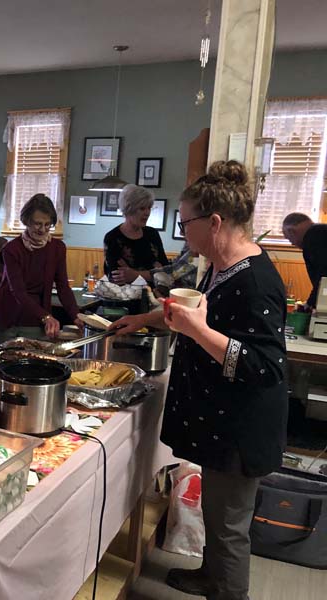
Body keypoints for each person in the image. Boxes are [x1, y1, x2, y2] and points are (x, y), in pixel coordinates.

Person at [111, 161, 288, 600]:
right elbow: (194, 314)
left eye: (185, 222)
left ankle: (228, 591)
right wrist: (146, 319)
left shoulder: (256, 281)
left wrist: (199, 332)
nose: (182, 232)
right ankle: (211, 576)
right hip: (221, 421)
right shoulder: (222, 266)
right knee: (216, 512)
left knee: (229, 527)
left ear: (215, 222)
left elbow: (264, 367)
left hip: (242, 427)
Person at [0, 193, 82, 340]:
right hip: (8, 316)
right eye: (38, 223)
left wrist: (76, 315)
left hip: (37, 316)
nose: (42, 229)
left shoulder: (57, 248)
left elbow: (63, 286)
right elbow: (18, 291)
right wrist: (45, 316)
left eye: (47, 224)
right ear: (27, 221)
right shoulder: (12, 249)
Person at [104, 184, 169, 285]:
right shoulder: (112, 237)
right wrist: (152, 273)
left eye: (149, 208)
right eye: (142, 208)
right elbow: (116, 278)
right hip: (125, 294)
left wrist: (134, 274)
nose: (147, 213)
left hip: (155, 293)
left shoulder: (152, 234)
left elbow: (166, 273)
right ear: (128, 209)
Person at [282, 212, 327, 309]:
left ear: (292, 231)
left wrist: (309, 304)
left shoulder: (313, 238)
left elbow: (323, 277)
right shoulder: (321, 231)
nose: (292, 244)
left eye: (289, 239)